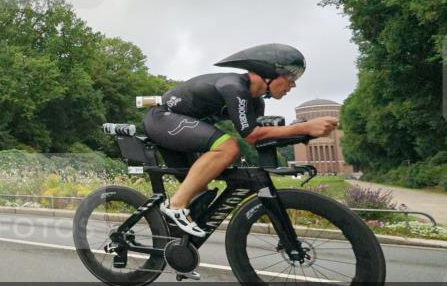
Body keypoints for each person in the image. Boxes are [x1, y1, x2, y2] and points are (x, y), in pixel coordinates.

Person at [142, 44, 339, 237]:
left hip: (180, 127)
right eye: (290, 77)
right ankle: (175, 205)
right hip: (161, 119)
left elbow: (260, 138)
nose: (293, 84)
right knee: (228, 148)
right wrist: (304, 127)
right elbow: (251, 134)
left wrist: (305, 134)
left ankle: (178, 253)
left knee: (200, 197)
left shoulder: (255, 101)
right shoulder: (234, 86)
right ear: (268, 73)